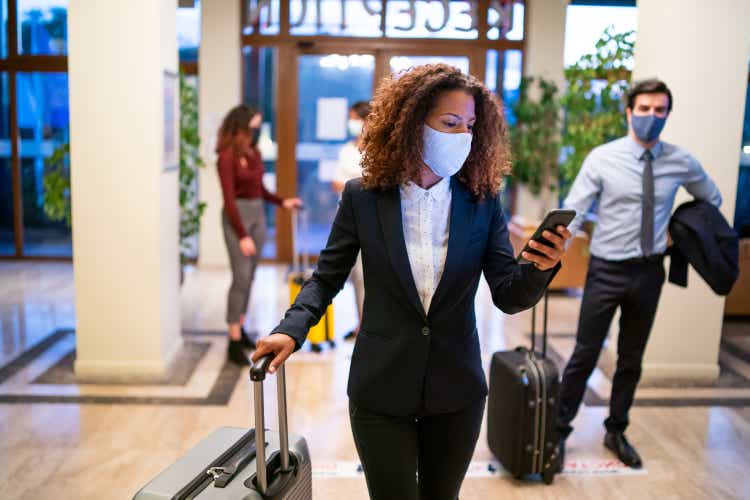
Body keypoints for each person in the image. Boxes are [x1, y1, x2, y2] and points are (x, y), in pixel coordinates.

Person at [252, 64, 571, 499]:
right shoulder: (364, 197)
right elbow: (327, 277)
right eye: (450, 123)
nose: (463, 135)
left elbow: (509, 296)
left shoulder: (482, 202)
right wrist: (291, 330)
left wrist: (539, 266)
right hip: (381, 389)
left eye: (471, 125)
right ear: (412, 123)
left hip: (456, 391)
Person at [556, 79, 722, 469]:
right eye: (644, 109)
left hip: (649, 271)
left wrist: (678, 231)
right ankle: (558, 431)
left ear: (667, 114)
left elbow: (710, 198)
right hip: (606, 270)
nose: (652, 116)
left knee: (631, 358)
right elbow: (576, 210)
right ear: (629, 113)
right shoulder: (602, 158)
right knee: (585, 353)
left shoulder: (680, 160)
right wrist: (553, 251)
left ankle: (616, 430)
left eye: (659, 110)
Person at [216, 105, 302, 365]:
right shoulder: (226, 157)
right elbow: (229, 199)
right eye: (253, 126)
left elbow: (260, 190)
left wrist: (282, 202)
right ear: (240, 126)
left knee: (251, 276)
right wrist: (242, 235)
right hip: (237, 219)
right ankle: (232, 340)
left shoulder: (253, 153)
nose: (255, 131)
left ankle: (240, 328)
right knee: (240, 278)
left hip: (257, 216)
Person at [332, 100, 371, 341]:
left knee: (367, 275)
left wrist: (352, 182)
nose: (352, 123)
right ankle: (360, 324)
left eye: (354, 118)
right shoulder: (347, 149)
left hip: (370, 219)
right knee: (356, 276)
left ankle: (367, 326)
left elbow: (375, 182)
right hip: (347, 218)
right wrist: (358, 181)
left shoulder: (379, 151)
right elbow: (336, 183)